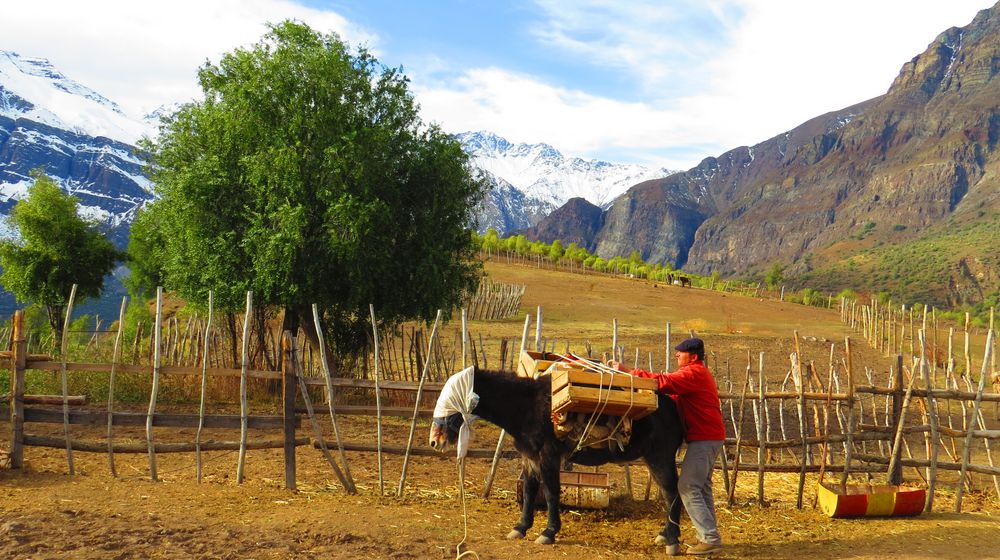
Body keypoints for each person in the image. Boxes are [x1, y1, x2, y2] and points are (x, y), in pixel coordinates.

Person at [610, 337, 725, 556]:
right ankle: (710, 536)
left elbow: (663, 382)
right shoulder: (697, 374)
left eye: (680, 353)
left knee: (688, 487)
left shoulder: (694, 373)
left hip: (705, 438)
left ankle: (709, 539)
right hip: (708, 437)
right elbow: (671, 392)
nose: (676, 355)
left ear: (692, 356)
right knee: (702, 488)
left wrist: (628, 372)